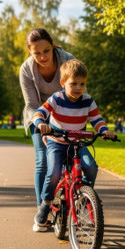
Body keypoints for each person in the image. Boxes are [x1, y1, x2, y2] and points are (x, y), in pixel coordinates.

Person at [32, 59, 115, 232]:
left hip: (77, 143)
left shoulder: (88, 101)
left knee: (91, 167)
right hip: (57, 142)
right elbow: (40, 112)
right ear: (63, 83)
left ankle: (85, 196)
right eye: (73, 84)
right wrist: (41, 124)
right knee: (54, 172)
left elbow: (96, 119)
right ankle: (45, 205)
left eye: (82, 84)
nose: (78, 88)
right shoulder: (57, 98)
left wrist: (105, 130)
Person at [19, 28, 74, 208]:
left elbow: (79, 93)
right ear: (30, 52)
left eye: (46, 50)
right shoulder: (26, 70)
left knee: (71, 160)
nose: (43, 57)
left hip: (65, 115)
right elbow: (32, 104)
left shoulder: (68, 60)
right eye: (37, 53)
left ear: (53, 46)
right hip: (38, 117)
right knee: (43, 161)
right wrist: (40, 122)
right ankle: (42, 211)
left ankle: (71, 206)